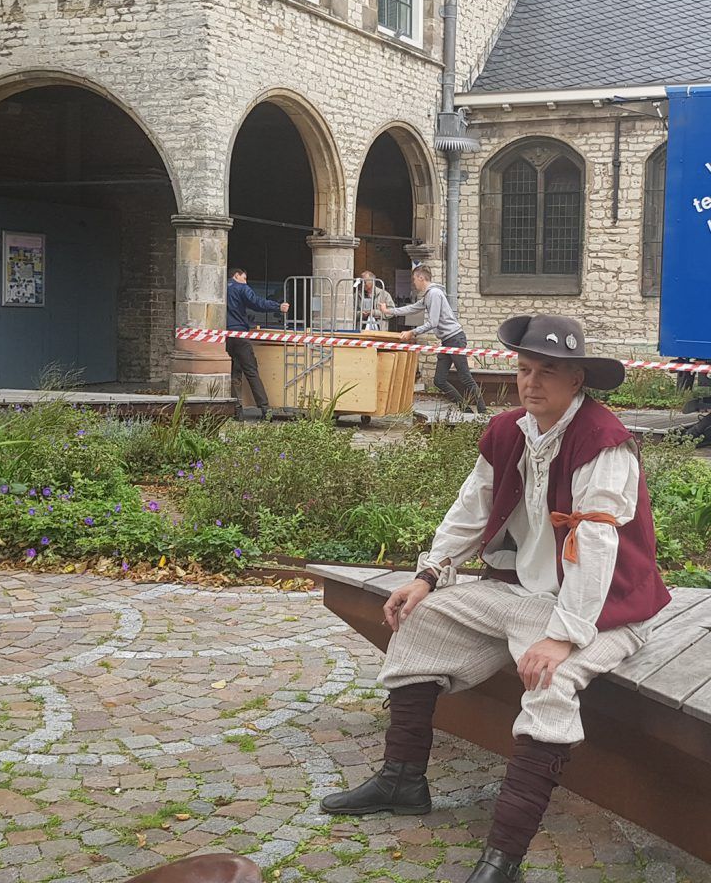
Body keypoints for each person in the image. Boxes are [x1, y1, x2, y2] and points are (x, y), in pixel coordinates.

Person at [320, 314, 671, 883]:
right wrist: (430, 575)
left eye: (547, 372)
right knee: (421, 616)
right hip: (521, 596)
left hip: (604, 611)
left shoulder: (603, 443)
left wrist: (562, 637)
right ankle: (403, 779)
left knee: (548, 680)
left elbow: (597, 547)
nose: (531, 383)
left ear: (576, 379)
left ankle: (502, 856)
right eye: (524, 369)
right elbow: (472, 507)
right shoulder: (510, 430)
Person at [380, 265, 487, 414]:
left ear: (421, 278)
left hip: (455, 339)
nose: (414, 283)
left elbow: (433, 323)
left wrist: (413, 332)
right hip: (447, 341)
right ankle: (466, 410)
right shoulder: (428, 295)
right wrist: (388, 311)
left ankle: (483, 412)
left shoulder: (434, 294)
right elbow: (411, 308)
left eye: (414, 279)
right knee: (439, 380)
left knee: (465, 376)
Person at [226, 268, 290, 419]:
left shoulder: (220, 288)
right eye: (244, 278)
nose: (245, 281)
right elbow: (256, 303)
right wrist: (278, 307)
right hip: (240, 334)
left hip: (223, 336)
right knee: (251, 371)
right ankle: (265, 410)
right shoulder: (241, 288)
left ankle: (237, 409)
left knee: (233, 373)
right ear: (236, 275)